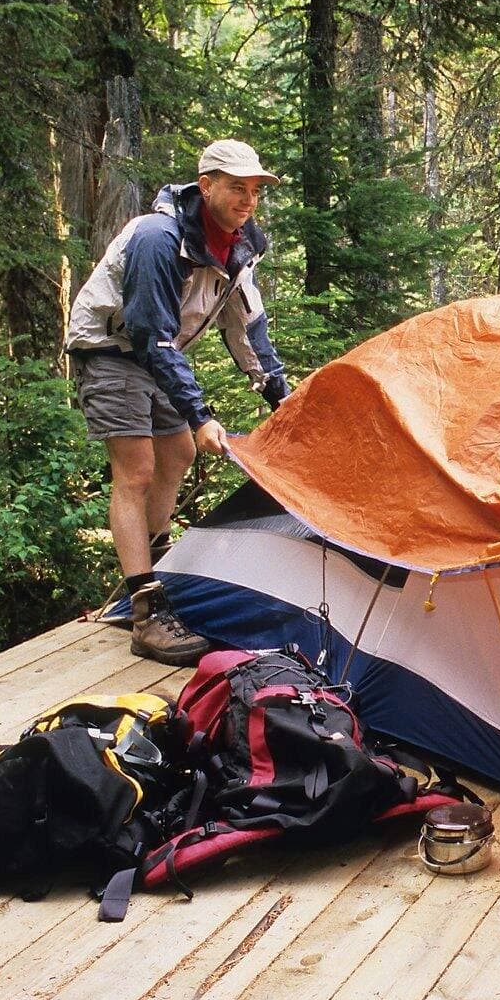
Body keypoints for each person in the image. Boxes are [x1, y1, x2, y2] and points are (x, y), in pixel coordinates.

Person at [65, 139, 291, 665]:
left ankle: (152, 572)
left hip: (159, 352)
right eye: (237, 188)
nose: (248, 200)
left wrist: (281, 398)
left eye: (255, 190)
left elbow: (247, 328)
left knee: (179, 455)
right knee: (136, 471)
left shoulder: (240, 245)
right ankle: (145, 611)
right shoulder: (157, 239)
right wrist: (201, 415)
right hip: (112, 350)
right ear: (206, 185)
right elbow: (149, 335)